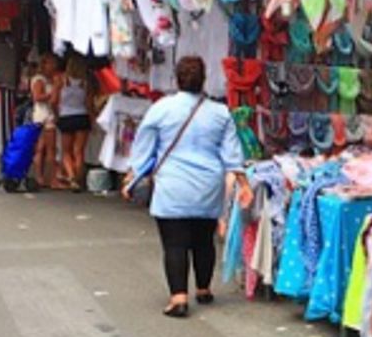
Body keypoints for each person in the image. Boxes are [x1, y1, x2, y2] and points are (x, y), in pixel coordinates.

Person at [123, 55, 248, 319]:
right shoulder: (220, 112)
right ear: (203, 80)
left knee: (175, 244)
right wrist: (243, 183)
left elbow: (144, 149)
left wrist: (133, 177)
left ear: (176, 79)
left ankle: (178, 298)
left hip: (173, 185)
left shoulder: (161, 108)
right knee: (204, 240)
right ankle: (203, 289)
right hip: (208, 185)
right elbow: (232, 153)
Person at [56, 54, 92, 193]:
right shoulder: (85, 82)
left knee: (66, 151)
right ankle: (78, 178)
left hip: (66, 116)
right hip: (82, 116)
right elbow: (88, 104)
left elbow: (54, 100)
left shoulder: (61, 80)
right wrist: (92, 118)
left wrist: (56, 113)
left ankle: (71, 177)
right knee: (79, 151)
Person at [29, 53, 61, 188]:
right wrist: (53, 92)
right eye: (51, 63)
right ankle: (49, 178)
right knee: (49, 149)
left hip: (42, 114)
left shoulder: (49, 79)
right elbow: (37, 97)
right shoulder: (40, 80)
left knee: (41, 147)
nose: (54, 66)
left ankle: (41, 177)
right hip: (45, 114)